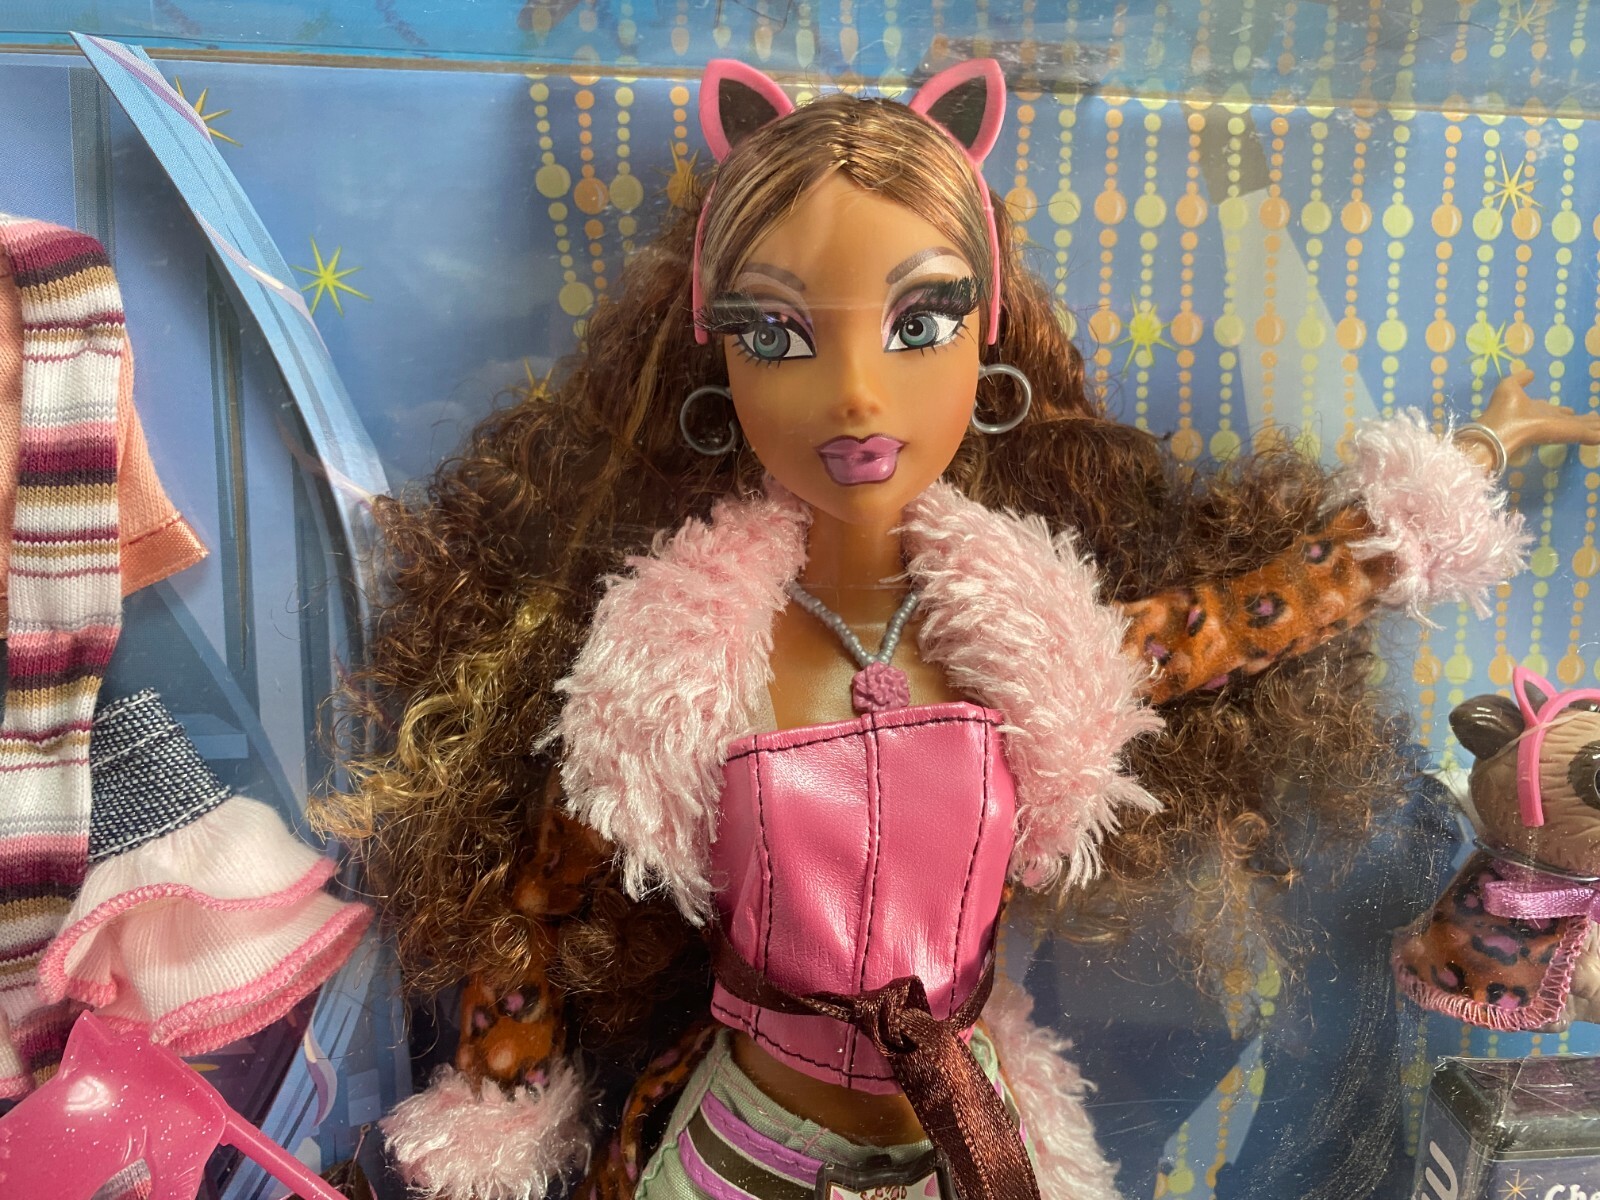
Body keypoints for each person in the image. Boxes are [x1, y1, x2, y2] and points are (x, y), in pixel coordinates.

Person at [315, 59, 1600, 1200]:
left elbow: (1259, 609)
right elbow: (535, 903)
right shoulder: (665, 677)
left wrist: (1472, 459)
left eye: (918, 322)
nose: (856, 392)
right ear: (719, 357)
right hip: (736, 1153)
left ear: (986, 336)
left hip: (975, 1148)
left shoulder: (1041, 647)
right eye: (778, 333)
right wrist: (498, 1098)